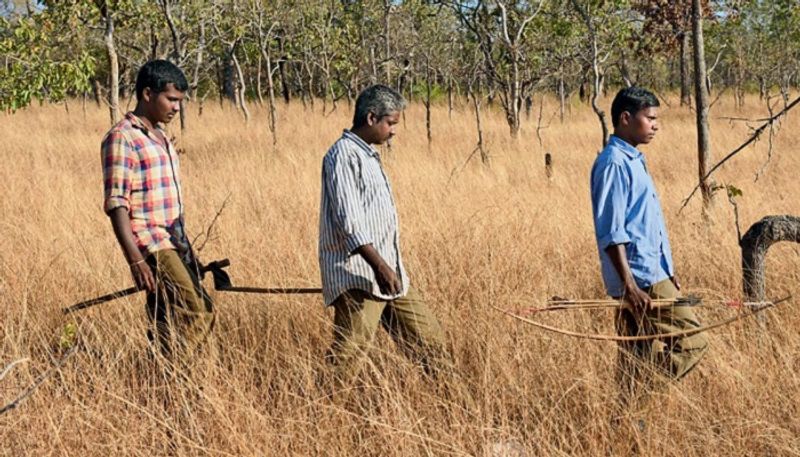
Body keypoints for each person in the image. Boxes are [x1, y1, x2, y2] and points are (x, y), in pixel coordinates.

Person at [318, 84, 451, 384]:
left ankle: (463, 414)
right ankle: (320, 420)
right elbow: (350, 222)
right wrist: (378, 265)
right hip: (360, 278)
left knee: (431, 344)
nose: (394, 131)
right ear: (370, 118)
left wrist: (388, 269)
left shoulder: (369, 155)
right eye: (390, 123)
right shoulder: (342, 156)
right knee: (345, 361)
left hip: (390, 276)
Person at [589, 87, 709, 399]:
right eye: (650, 118)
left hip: (652, 274)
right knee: (693, 341)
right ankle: (639, 396)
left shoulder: (633, 158)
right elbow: (612, 232)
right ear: (625, 118)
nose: (655, 125)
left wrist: (668, 268)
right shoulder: (614, 163)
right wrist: (630, 286)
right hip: (642, 281)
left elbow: (645, 225)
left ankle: (628, 426)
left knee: (635, 355)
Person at [101, 60, 214, 360]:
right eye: (171, 99)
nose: (177, 107)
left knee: (164, 319)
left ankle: (162, 388)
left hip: (174, 240)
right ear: (147, 94)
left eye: (180, 101)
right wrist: (135, 260)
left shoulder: (161, 137)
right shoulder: (122, 137)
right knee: (199, 311)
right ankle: (182, 384)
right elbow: (116, 203)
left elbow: (167, 202)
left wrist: (188, 252)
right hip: (151, 243)